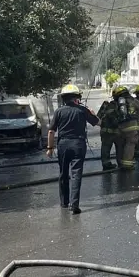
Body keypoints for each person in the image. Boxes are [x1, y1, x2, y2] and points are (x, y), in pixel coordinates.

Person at [47, 84, 99, 214]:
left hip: (63, 145)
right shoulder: (83, 110)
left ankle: (64, 203)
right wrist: (94, 114)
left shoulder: (58, 111)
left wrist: (50, 148)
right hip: (78, 145)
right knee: (76, 174)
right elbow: (98, 123)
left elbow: (51, 132)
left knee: (63, 174)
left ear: (64, 98)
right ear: (77, 98)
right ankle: (74, 205)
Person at [112, 86, 139, 170]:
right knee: (130, 144)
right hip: (132, 126)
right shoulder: (133, 100)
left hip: (119, 127)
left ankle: (120, 163)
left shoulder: (116, 102)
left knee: (120, 145)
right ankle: (127, 165)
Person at [96, 98, 122, 170]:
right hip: (116, 133)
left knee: (105, 148)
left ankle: (106, 164)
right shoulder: (121, 107)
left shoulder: (106, 106)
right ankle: (121, 163)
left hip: (105, 132)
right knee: (120, 148)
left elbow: (98, 117)